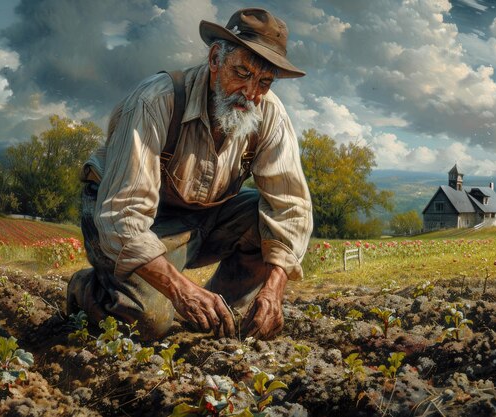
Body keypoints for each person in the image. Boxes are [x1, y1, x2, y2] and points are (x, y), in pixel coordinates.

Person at [67, 8, 313, 341]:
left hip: (201, 217)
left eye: (264, 82)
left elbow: (290, 208)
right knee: (148, 321)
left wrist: (273, 290)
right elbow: (122, 217)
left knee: (261, 216)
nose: (251, 93)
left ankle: (220, 308)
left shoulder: (269, 114)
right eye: (242, 72)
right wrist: (181, 290)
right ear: (215, 59)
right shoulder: (155, 101)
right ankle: (88, 290)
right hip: (125, 216)